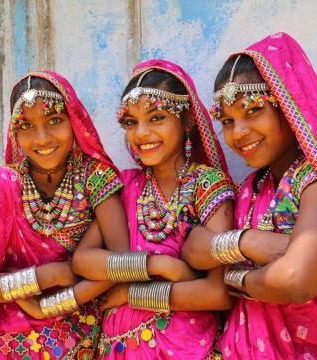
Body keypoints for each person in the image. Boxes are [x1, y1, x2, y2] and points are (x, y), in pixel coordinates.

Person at [183, 32, 317, 359]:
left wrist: (234, 278)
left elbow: (295, 280)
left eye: (252, 111)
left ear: (288, 103)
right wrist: (249, 242)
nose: (239, 133)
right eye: (227, 121)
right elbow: (194, 247)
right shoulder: (253, 185)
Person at [0, 71, 128, 359]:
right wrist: (42, 277)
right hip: (8, 325)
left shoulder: (95, 177)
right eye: (27, 126)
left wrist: (53, 305)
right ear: (14, 132)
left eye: (54, 121)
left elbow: (122, 261)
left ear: (74, 121)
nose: (42, 137)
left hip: (79, 320)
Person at [72, 59, 236, 359]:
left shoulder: (208, 186)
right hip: (118, 349)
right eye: (131, 123)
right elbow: (83, 261)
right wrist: (156, 265)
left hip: (184, 348)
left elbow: (217, 293)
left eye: (156, 117)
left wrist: (132, 293)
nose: (142, 133)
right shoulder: (124, 187)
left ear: (186, 121)